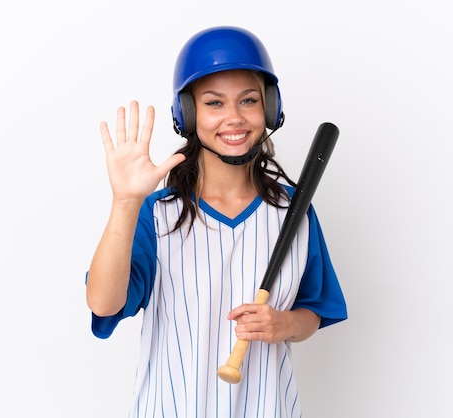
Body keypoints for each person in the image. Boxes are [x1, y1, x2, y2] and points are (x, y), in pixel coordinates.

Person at [85, 26, 347, 418]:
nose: (234, 118)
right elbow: (104, 305)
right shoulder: (157, 213)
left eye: (248, 100)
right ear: (188, 113)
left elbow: (314, 309)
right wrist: (125, 202)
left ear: (270, 107)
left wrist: (284, 324)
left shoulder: (296, 210)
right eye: (214, 103)